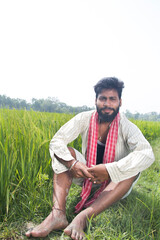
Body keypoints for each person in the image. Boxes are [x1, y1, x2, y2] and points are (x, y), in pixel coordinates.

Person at [26, 77, 154, 240]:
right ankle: (57, 214)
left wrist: (109, 170)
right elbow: (57, 141)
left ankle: (83, 217)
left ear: (120, 102)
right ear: (96, 100)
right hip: (87, 175)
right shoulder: (84, 118)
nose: (107, 104)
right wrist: (72, 164)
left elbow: (146, 153)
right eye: (103, 98)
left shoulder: (127, 126)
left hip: (116, 183)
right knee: (66, 153)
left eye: (112, 99)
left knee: (133, 167)